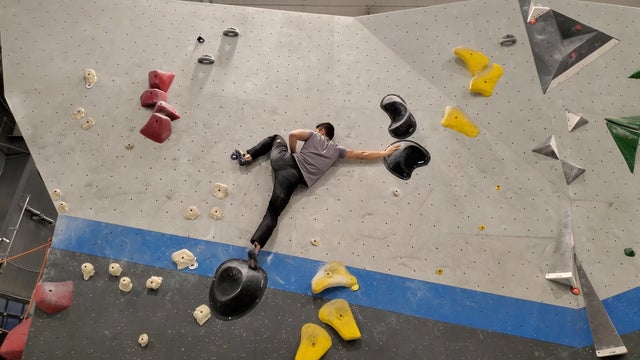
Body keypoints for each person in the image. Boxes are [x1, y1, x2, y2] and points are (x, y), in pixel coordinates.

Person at [233, 122, 400, 269]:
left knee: (275, 137)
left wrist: (292, 153)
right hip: (293, 179)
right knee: (273, 213)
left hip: (284, 161)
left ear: (321, 131)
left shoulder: (313, 135)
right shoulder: (337, 151)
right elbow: (362, 155)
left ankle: (248, 157)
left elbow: (292, 134)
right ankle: (256, 248)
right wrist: (385, 153)